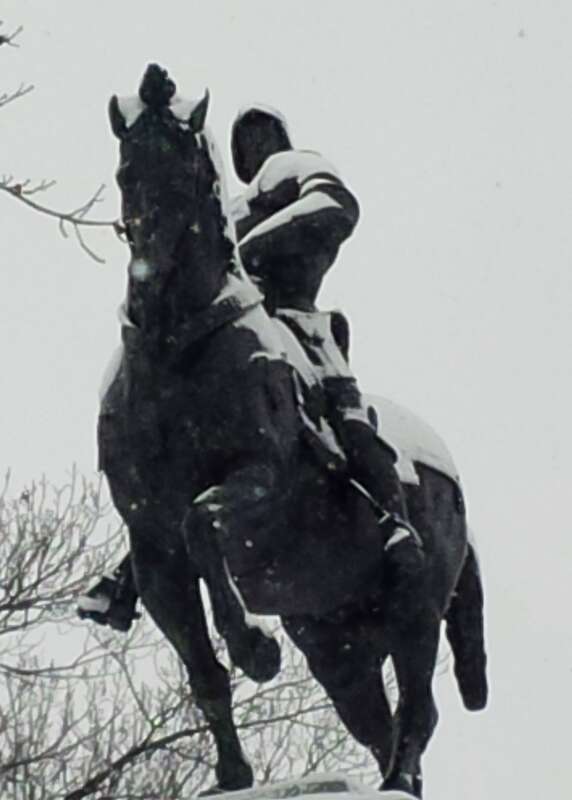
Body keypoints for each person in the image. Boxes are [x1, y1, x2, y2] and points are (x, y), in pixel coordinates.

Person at [78, 105, 423, 632]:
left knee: (349, 421)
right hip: (231, 331)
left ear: (279, 136)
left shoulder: (298, 169)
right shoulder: (232, 208)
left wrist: (253, 246)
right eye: (242, 143)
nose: (252, 148)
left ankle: (394, 524)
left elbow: (335, 205)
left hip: (295, 326)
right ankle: (135, 572)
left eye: (259, 135)